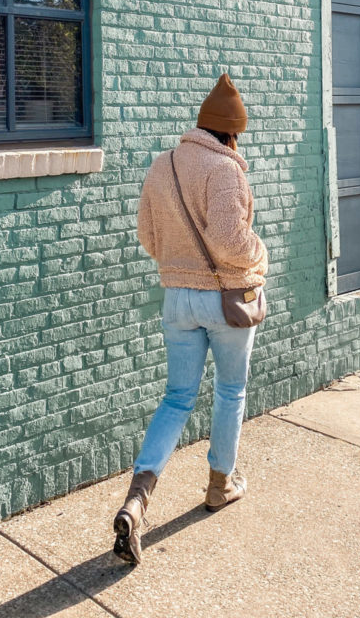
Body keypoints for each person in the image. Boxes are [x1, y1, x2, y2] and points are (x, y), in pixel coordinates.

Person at [112, 73, 268, 564]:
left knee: (177, 397)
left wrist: (176, 266)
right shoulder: (225, 170)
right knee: (230, 391)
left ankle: (136, 501)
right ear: (232, 133)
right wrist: (260, 253)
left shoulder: (162, 165)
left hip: (176, 299)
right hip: (223, 300)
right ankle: (221, 483)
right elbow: (230, 241)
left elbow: (147, 232)